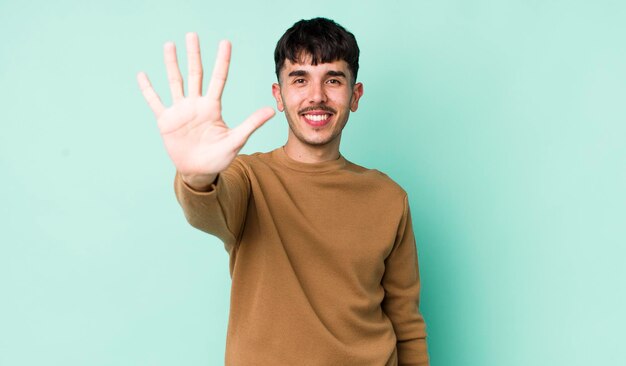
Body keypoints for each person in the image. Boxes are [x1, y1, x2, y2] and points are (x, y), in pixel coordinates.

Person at [137, 17, 429, 366]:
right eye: (300, 80)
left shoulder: (389, 197)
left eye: (333, 80)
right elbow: (208, 208)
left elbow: (406, 322)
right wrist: (197, 175)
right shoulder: (247, 179)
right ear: (279, 95)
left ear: (355, 95)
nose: (316, 96)